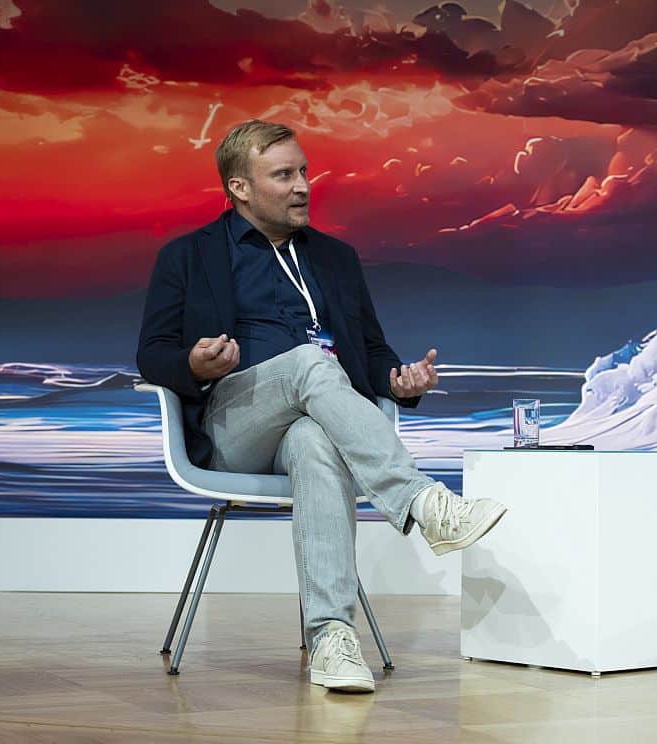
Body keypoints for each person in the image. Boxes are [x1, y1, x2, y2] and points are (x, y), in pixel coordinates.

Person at [136, 120, 506, 693]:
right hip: (234, 425)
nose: (303, 185)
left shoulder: (335, 258)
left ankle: (333, 639)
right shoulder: (188, 256)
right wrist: (193, 363)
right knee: (311, 361)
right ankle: (424, 503)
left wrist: (402, 382)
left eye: (303, 171)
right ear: (240, 188)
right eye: (283, 175)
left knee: (313, 438)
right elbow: (151, 355)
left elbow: (371, 350)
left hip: (315, 421)